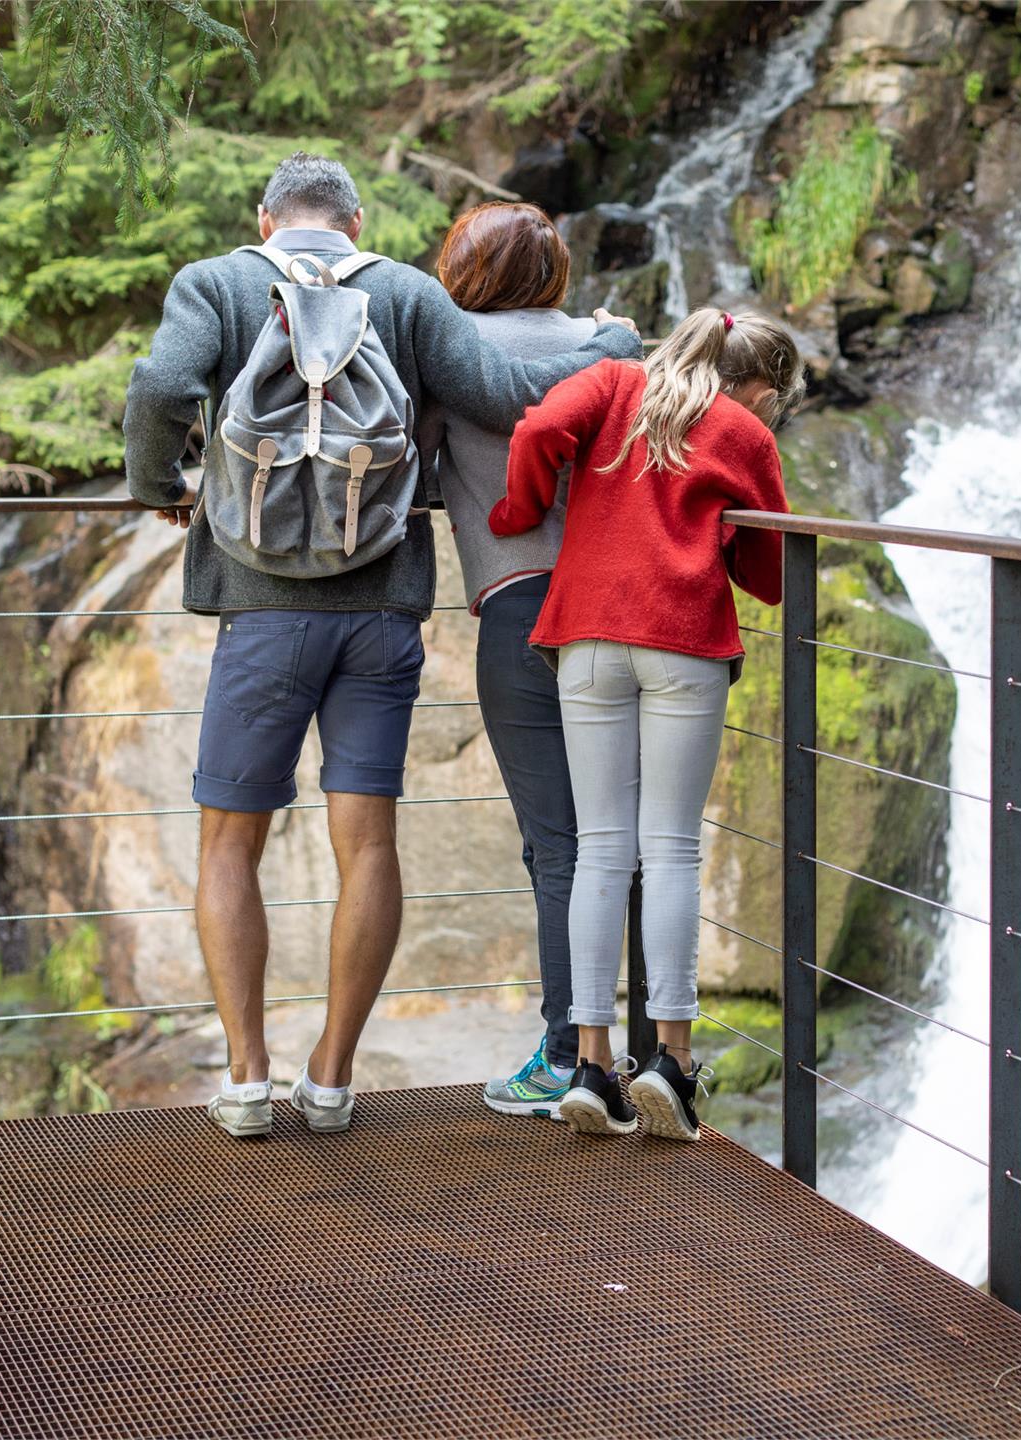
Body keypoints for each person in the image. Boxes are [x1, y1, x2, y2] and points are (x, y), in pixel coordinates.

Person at [123, 152, 642, 1140]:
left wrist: (160, 485)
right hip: (380, 615)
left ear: (263, 216)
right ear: (355, 223)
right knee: (367, 845)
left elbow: (160, 389)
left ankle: (243, 1079)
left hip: (262, 613)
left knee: (229, 841)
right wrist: (611, 342)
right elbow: (509, 395)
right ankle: (331, 1077)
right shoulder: (403, 293)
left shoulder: (218, 283)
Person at [491, 307, 802, 1143]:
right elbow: (770, 576)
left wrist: (519, 513)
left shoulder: (612, 382)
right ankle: (670, 1063)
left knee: (599, 847)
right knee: (668, 848)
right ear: (759, 385)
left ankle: (591, 1068)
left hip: (585, 633)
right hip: (684, 640)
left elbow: (538, 428)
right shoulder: (743, 431)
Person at [433, 202, 596, 1120]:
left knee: (558, 843)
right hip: (618, 611)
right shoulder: (612, 345)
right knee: (628, 836)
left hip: (521, 610)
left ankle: (570, 1055)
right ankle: (643, 1052)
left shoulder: (444, 351)